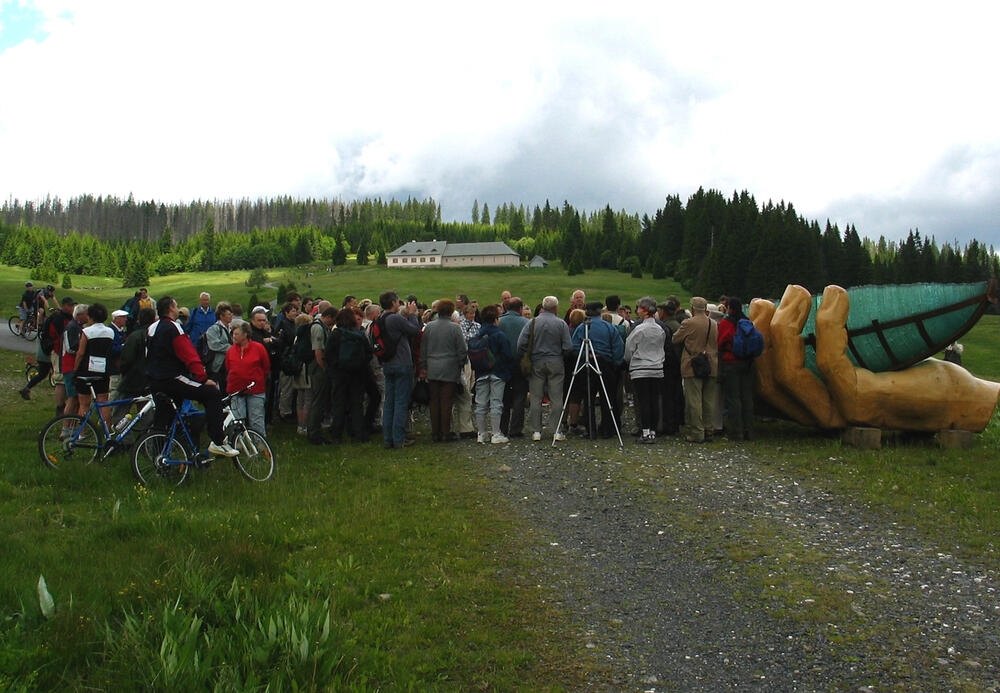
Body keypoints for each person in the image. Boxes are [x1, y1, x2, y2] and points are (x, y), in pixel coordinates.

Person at [146, 296, 238, 457]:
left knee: (164, 418)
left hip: (155, 379)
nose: (177, 308)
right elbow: (189, 354)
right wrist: (202, 378)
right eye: (176, 306)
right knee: (212, 394)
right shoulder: (174, 327)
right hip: (173, 378)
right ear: (170, 309)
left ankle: (160, 457)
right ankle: (218, 441)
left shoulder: (152, 328)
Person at [518, 295, 572, 441]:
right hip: (555, 361)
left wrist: (527, 354)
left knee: (535, 397)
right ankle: (556, 430)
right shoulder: (561, 324)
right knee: (556, 397)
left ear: (542, 306)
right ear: (555, 308)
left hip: (536, 362)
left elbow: (521, 343)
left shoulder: (533, 322)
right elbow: (568, 347)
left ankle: (536, 430)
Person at [570, 301, 625, 438]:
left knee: (588, 397)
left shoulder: (582, 327)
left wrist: (584, 355)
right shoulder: (608, 327)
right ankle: (607, 429)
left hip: (587, 363)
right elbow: (618, 347)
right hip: (605, 363)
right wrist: (615, 364)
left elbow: (574, 346)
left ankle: (590, 429)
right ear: (600, 312)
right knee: (608, 398)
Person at [419, 299, 468, 443]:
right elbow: (462, 350)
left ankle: (435, 432)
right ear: (451, 311)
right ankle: (446, 432)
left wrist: (423, 366)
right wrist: (460, 365)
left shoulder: (429, 327)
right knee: (446, 401)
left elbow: (423, 349)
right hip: (450, 368)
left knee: (434, 400)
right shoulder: (455, 328)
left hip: (432, 367)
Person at [672, 296, 719, 443]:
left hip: (693, 363)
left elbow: (675, 339)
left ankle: (697, 432)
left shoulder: (689, 323)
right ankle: (709, 429)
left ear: (692, 308)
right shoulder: (713, 323)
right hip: (711, 363)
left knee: (694, 400)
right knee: (709, 400)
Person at [379, 291, 421, 449]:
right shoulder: (395, 318)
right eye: (397, 301)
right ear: (393, 303)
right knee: (401, 402)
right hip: (401, 363)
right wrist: (412, 314)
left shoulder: (381, 318)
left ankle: (388, 438)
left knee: (389, 402)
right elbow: (415, 331)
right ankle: (399, 438)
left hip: (388, 363)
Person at [325, 308, 373, 442]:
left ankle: (337, 434)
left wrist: (336, 367)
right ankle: (359, 433)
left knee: (338, 404)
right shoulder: (359, 334)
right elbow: (368, 353)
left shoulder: (336, 334)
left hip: (339, 375)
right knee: (356, 404)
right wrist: (360, 365)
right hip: (357, 374)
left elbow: (328, 354)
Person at [625, 297, 665, 443]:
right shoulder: (660, 329)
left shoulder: (639, 329)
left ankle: (646, 431)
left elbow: (629, 349)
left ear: (645, 310)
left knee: (643, 401)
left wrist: (629, 362)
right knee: (654, 399)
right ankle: (653, 430)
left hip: (640, 368)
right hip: (657, 367)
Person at [473, 304, 514, 443]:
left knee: (481, 403)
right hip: (498, 372)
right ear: (496, 319)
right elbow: (508, 355)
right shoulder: (499, 335)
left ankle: (481, 433)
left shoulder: (478, 335)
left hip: (480, 371)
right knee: (496, 403)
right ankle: (496, 434)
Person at [717, 297, 755, 441]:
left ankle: (736, 432)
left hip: (731, 363)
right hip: (748, 363)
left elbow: (720, 342)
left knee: (733, 399)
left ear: (730, 308)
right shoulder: (748, 322)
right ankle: (749, 430)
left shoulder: (726, 323)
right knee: (747, 398)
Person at [225, 322, 270, 436]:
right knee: (238, 419)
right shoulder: (231, 350)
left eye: (236, 334)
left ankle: (260, 442)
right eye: (233, 334)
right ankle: (239, 442)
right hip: (236, 389)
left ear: (245, 335)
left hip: (255, 389)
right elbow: (228, 366)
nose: (234, 337)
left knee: (257, 418)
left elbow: (266, 367)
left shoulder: (258, 348)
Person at [74, 303, 115, 428]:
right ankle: (107, 430)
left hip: (87, 369)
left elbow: (81, 353)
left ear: (90, 317)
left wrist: (75, 369)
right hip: (103, 369)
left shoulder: (86, 332)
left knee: (84, 403)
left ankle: (81, 432)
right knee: (103, 401)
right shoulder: (110, 332)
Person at [305, 302, 336, 445]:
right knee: (317, 401)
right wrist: (325, 369)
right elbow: (318, 352)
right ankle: (313, 433)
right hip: (318, 368)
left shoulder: (321, 326)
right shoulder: (318, 327)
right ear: (328, 317)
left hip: (319, 367)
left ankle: (314, 430)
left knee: (319, 401)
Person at [498, 298, 529, 437]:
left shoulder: (499, 322)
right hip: (520, 362)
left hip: (503, 363)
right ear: (520, 308)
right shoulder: (526, 323)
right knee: (520, 395)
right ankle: (516, 428)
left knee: (503, 396)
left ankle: (502, 427)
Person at [204, 303, 234, 390]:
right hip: (218, 365)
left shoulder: (232, 329)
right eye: (229, 314)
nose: (231, 316)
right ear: (221, 316)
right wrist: (232, 348)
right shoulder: (213, 329)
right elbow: (214, 345)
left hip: (229, 364)